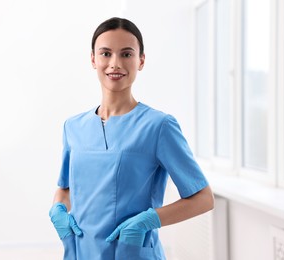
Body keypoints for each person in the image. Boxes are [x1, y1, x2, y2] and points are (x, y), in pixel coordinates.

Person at [49, 17, 214, 260]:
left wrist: (148, 221)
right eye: (105, 53)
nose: (115, 64)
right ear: (93, 59)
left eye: (126, 54)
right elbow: (65, 189)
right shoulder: (73, 127)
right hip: (80, 252)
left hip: (131, 252)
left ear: (141, 60)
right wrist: (58, 209)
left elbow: (203, 198)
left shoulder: (158, 126)